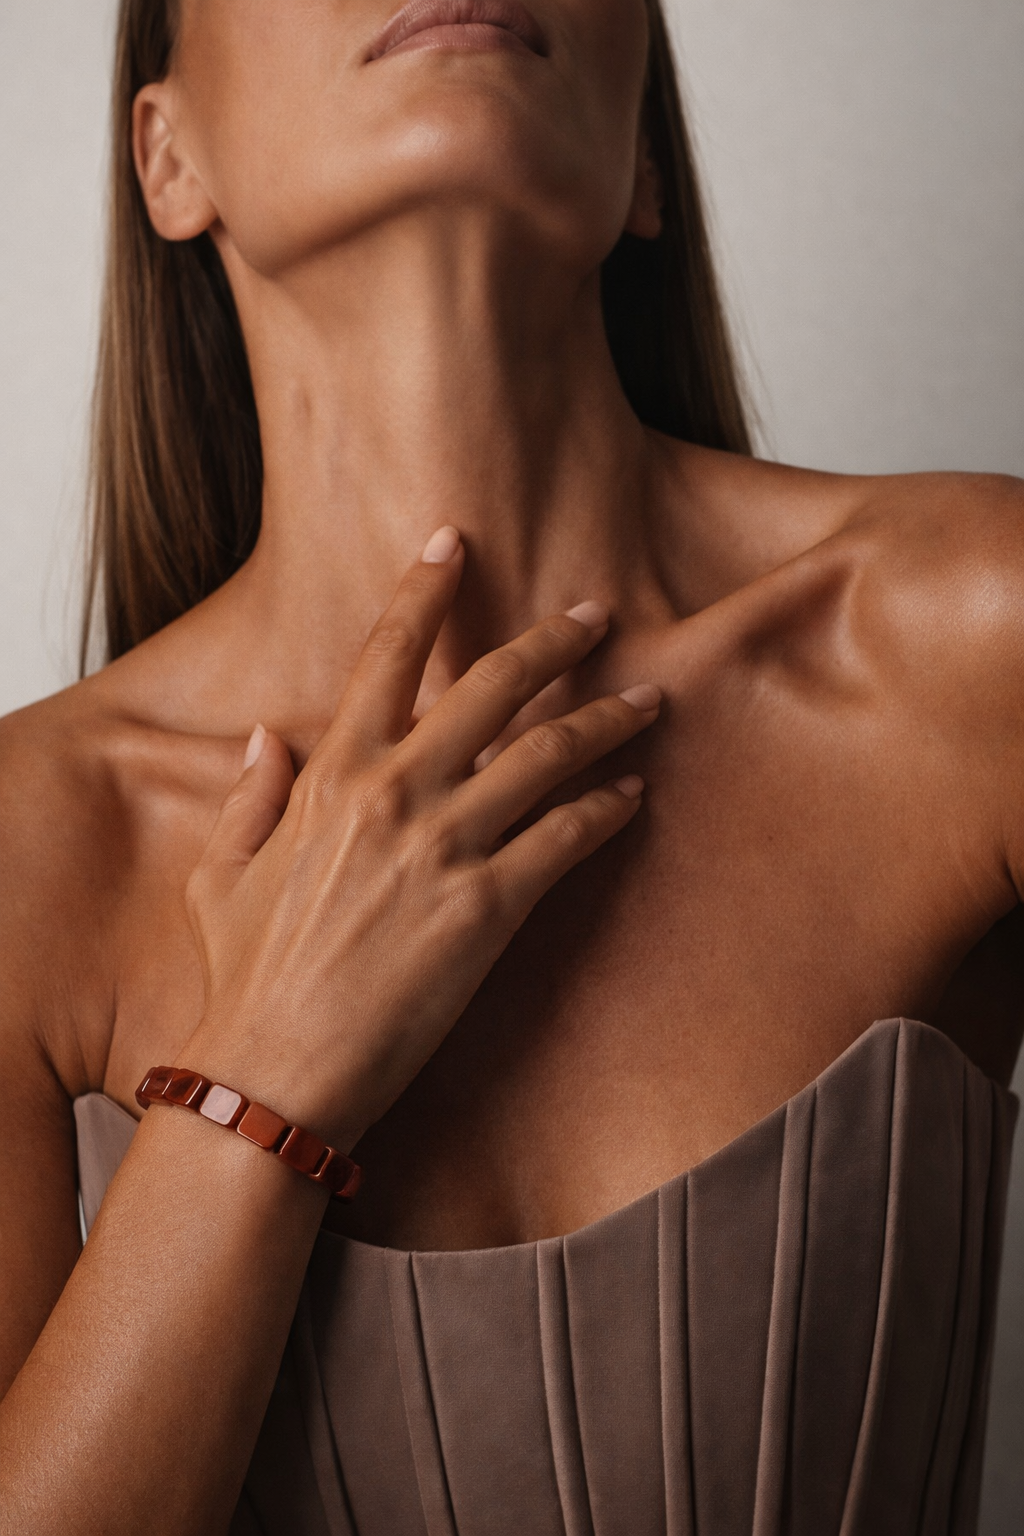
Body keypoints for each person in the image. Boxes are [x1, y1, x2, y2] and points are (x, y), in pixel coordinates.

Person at [1, 0, 1022, 1531]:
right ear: (167, 157)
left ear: (646, 167)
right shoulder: (30, 843)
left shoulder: (973, 643)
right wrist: (261, 1076)